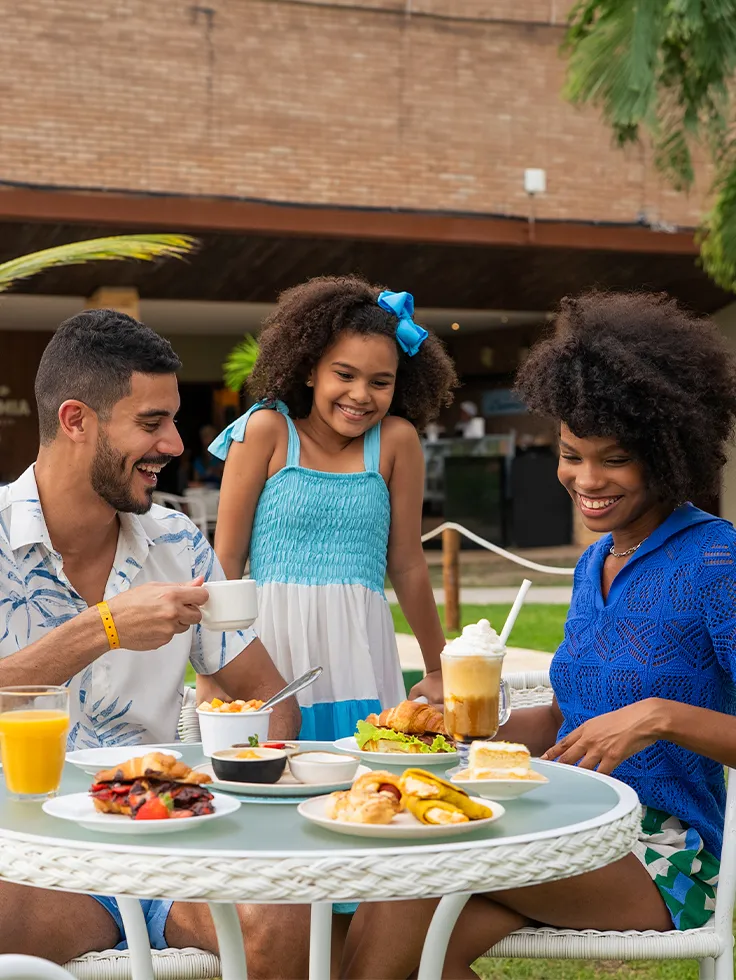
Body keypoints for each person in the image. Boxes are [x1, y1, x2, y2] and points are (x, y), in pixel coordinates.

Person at [341, 291, 736, 979]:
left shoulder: (715, 560)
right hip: (570, 821)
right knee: (398, 939)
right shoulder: (595, 561)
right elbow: (565, 715)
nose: (586, 480)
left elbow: (632, 719)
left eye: (613, 460)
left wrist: (658, 717)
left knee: (413, 869)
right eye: (570, 454)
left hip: (664, 853)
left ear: (670, 451)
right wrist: (461, 731)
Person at [0, 309, 301, 971]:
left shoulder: (179, 543)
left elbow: (271, 694)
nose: (173, 443)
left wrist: (242, 787)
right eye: (150, 423)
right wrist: (103, 628)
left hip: (164, 839)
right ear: (76, 420)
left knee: (279, 925)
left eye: (171, 419)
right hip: (22, 852)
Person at [206, 275, 458, 739]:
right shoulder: (266, 431)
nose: (361, 395)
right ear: (309, 369)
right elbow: (225, 560)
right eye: (344, 375)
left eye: (380, 382)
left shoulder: (397, 443)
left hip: (358, 650)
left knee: (360, 781)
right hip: (272, 649)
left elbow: (407, 564)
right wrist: (210, 670)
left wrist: (439, 666)